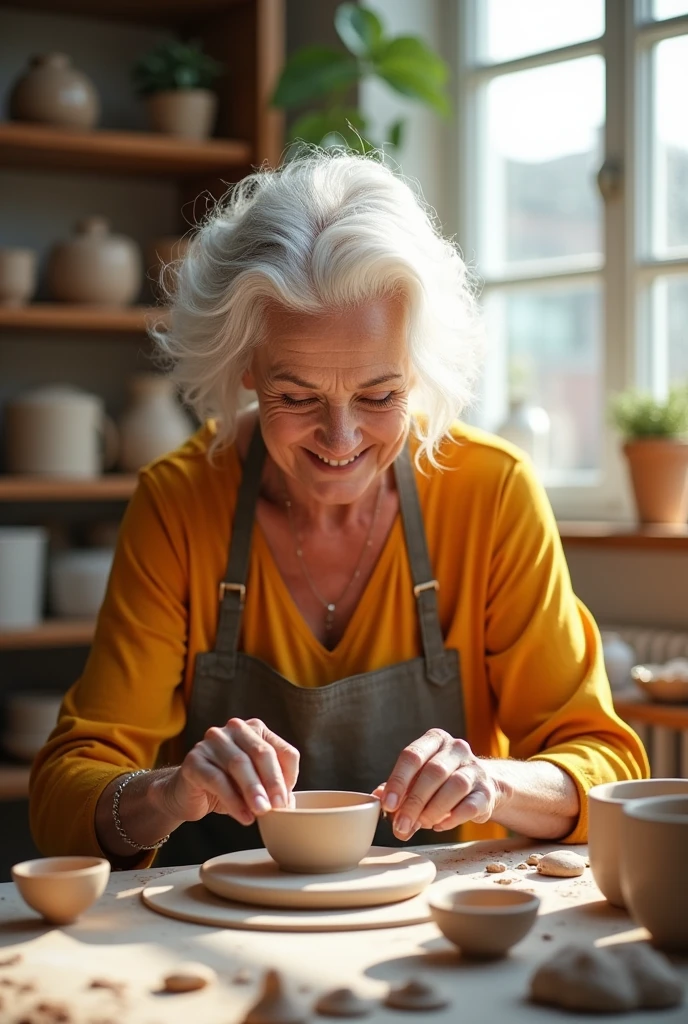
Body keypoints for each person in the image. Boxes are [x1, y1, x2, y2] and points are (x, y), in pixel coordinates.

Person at [30, 152, 648, 868]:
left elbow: (606, 766)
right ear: (246, 367)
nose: (342, 439)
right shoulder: (181, 502)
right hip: (216, 930)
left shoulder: (490, 492)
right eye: (296, 397)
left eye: (381, 396)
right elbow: (61, 799)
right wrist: (170, 792)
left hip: (437, 933)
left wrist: (493, 782)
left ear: (417, 367)